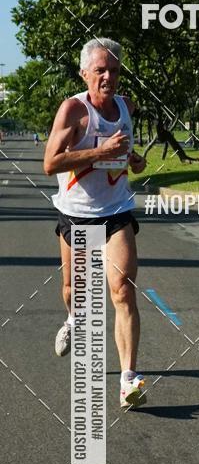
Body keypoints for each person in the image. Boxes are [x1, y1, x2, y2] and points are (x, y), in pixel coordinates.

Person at [44, 37, 148, 409]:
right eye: (101, 70)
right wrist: (101, 151)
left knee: (121, 290)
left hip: (117, 211)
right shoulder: (73, 111)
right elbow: (51, 163)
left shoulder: (125, 106)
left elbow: (126, 153)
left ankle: (128, 379)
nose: (108, 77)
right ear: (85, 72)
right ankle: (74, 320)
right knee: (76, 292)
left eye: (114, 70)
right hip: (77, 213)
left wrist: (134, 160)